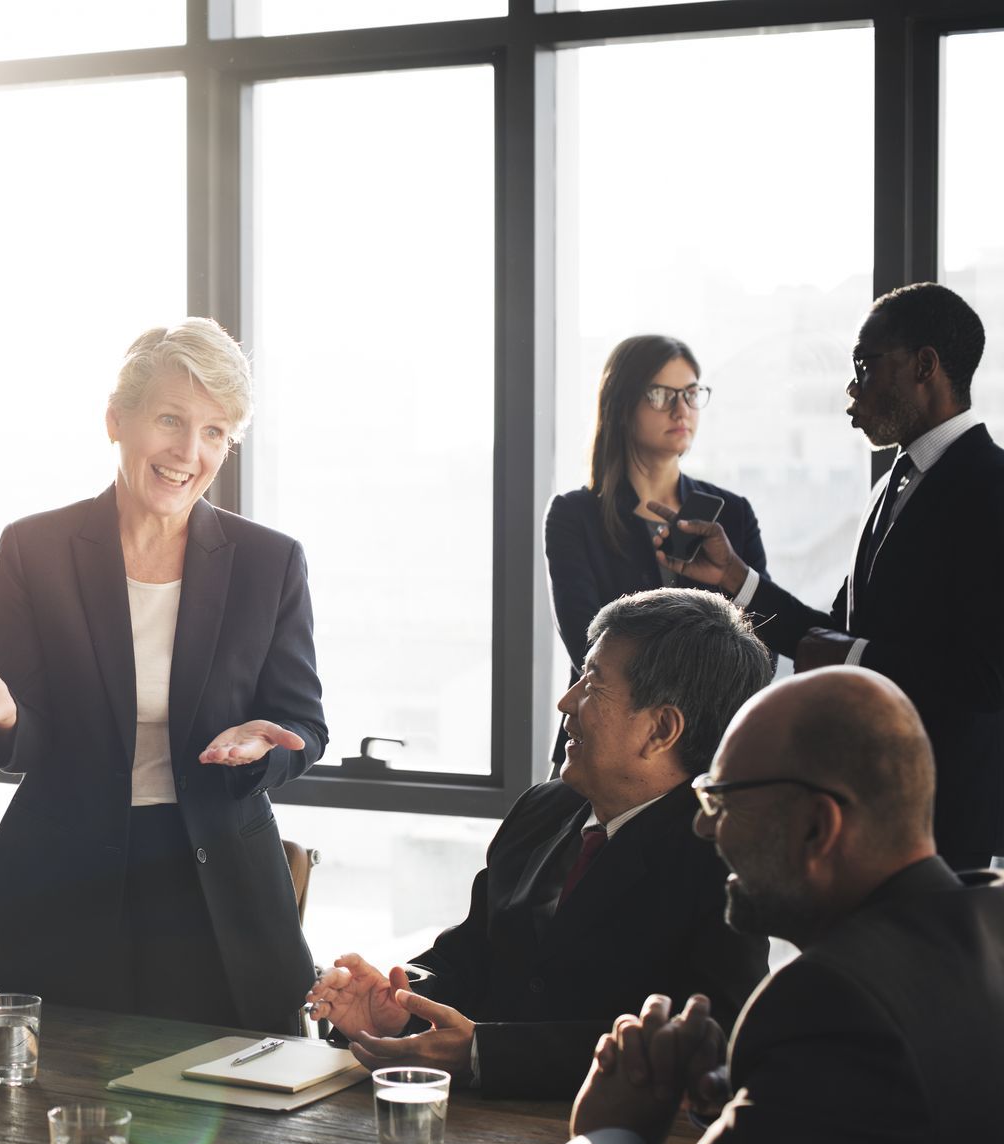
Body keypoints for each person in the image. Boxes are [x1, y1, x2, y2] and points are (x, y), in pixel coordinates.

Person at [0, 319, 325, 1033]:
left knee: (240, 1132)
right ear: (116, 418)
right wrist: (7, 714)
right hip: (67, 882)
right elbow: (31, 738)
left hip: (216, 893)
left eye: (215, 432)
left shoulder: (269, 562)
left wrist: (263, 748)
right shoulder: (33, 549)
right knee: (48, 1120)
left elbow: (304, 725)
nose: (188, 452)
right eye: (170, 419)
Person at [548, 667, 1004, 1144]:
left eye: (723, 801)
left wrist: (603, 1139)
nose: (702, 826)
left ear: (818, 826)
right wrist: (743, 1092)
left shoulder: (838, 1005)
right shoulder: (987, 916)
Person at [307, 589, 770, 1097]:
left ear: (660, 729)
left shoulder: (722, 854)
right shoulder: (544, 809)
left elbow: (711, 1038)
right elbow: (474, 953)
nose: (566, 701)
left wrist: (486, 1054)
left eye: (592, 684)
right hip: (476, 1131)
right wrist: (398, 1002)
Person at [659, 282, 1003, 868]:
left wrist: (855, 661)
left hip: (946, 825)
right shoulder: (891, 486)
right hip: (868, 805)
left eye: (866, 367)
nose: (851, 390)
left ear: (925, 366)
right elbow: (833, 637)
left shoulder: (992, 489)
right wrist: (738, 580)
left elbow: (989, 676)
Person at [544, 336, 765, 767]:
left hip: (706, 748)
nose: (680, 409)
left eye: (690, 393)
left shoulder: (732, 513)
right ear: (622, 404)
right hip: (602, 740)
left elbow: (756, 643)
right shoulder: (576, 514)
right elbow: (586, 639)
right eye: (661, 394)